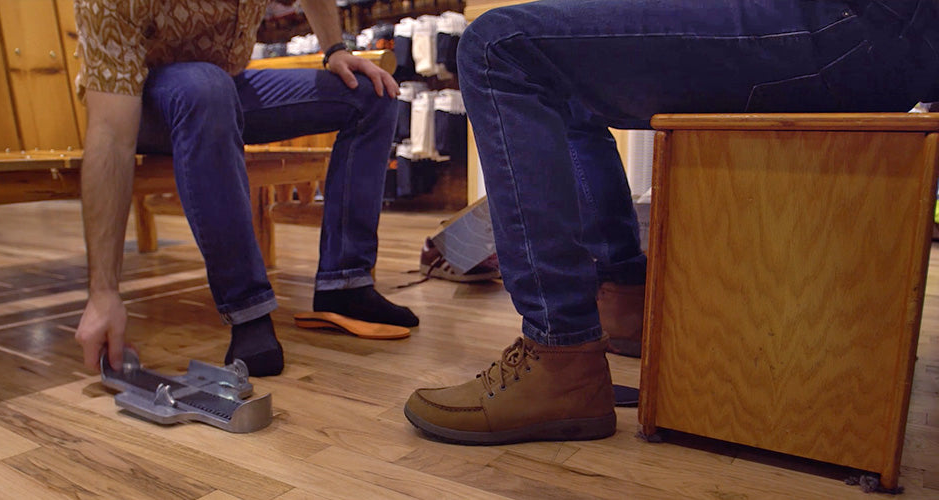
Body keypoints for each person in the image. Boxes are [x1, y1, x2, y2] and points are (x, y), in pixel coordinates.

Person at [404, 0, 939, 444]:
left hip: (857, 25)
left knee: (497, 44)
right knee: (563, 78)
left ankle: (559, 351)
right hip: (886, 33)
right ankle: (622, 302)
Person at [73, 0, 419, 378]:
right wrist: (103, 292)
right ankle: (247, 308)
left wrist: (335, 49)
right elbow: (110, 136)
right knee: (206, 87)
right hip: (142, 101)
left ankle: (345, 284)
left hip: (226, 86)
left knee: (371, 94)